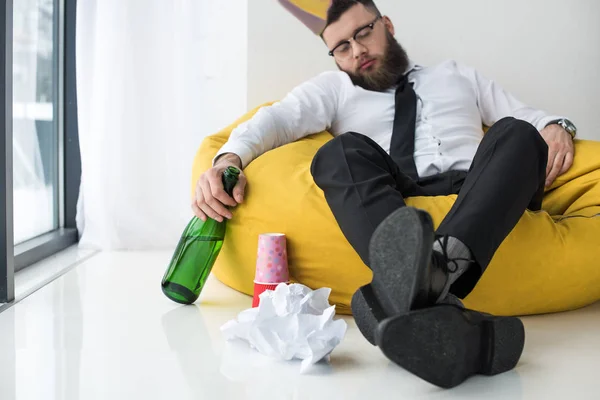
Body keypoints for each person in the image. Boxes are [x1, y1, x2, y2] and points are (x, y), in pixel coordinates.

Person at [192, 0, 577, 389]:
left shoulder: (456, 75)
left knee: (518, 134)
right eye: (342, 47)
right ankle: (439, 297)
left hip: (478, 190)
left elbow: (530, 117)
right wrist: (228, 159)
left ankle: (409, 292)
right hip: (399, 203)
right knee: (338, 154)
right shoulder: (335, 89)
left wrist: (556, 125)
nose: (356, 50)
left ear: (386, 25)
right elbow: (277, 119)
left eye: (363, 33)